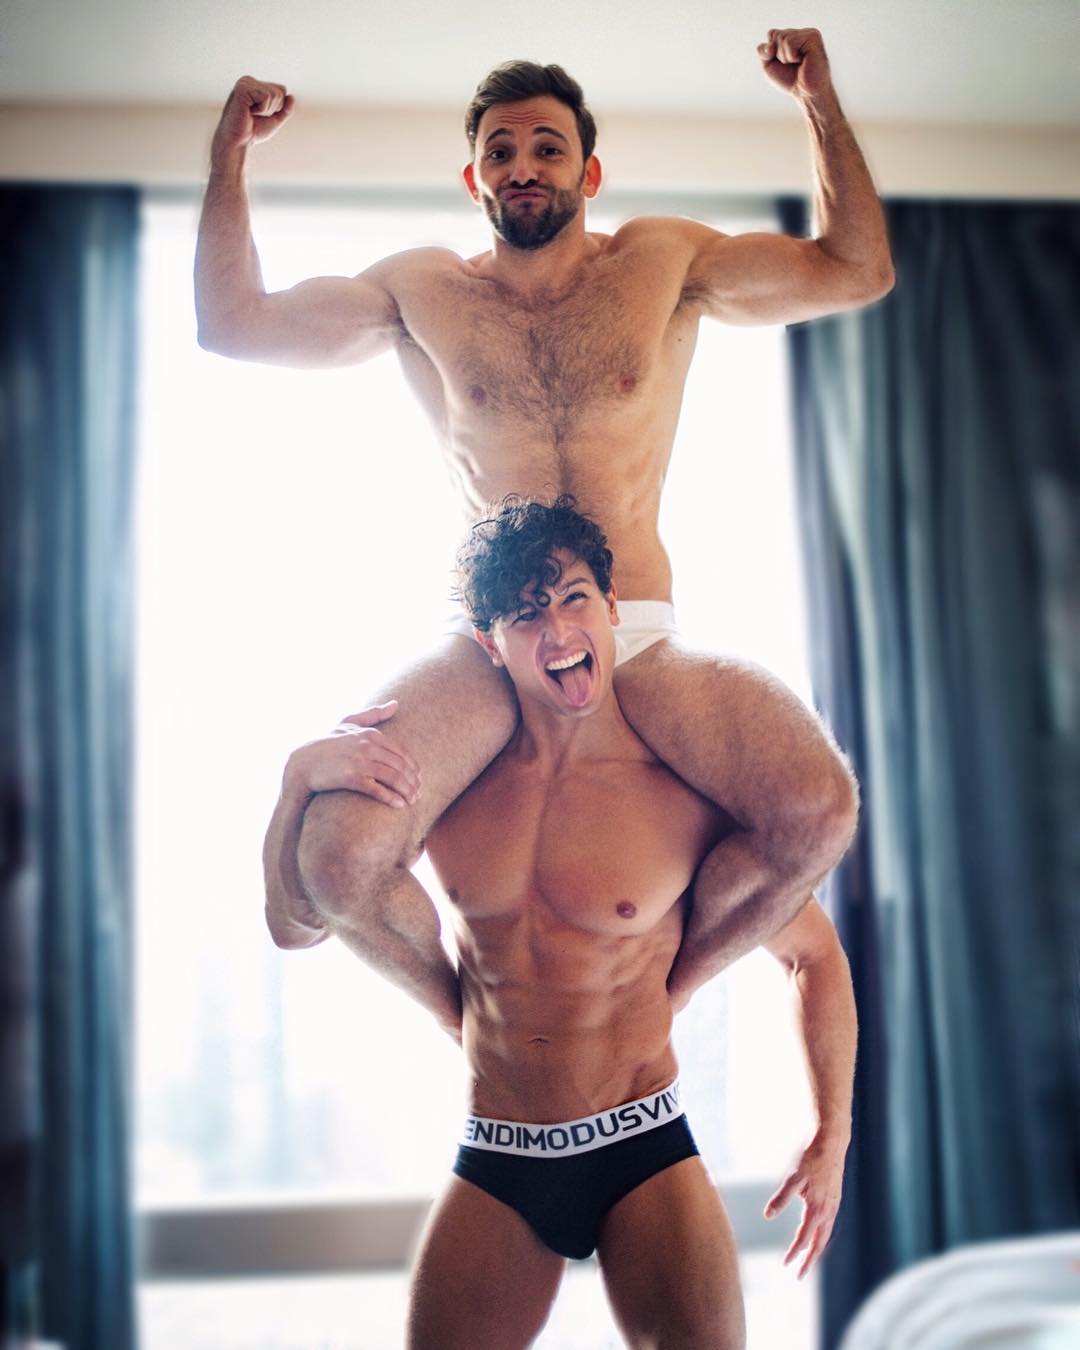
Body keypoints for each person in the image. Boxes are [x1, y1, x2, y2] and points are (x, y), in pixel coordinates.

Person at [198, 30, 890, 1025]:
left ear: (588, 172)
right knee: (340, 855)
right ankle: (471, 1025)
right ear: (474, 178)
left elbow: (856, 269)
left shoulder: (663, 263)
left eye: (547, 148)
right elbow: (234, 324)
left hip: (635, 627)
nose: (523, 166)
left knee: (818, 809)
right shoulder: (422, 292)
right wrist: (228, 156)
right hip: (491, 638)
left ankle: (662, 999)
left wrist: (818, 102)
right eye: (501, 151)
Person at [297, 498, 857, 1349]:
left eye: (573, 599)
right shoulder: (452, 799)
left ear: (611, 607)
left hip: (644, 1147)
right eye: (527, 615)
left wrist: (831, 1135)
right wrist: (296, 784)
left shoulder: (676, 795)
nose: (557, 630)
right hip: (499, 1154)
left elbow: (812, 955)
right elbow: (312, 912)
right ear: (490, 644)